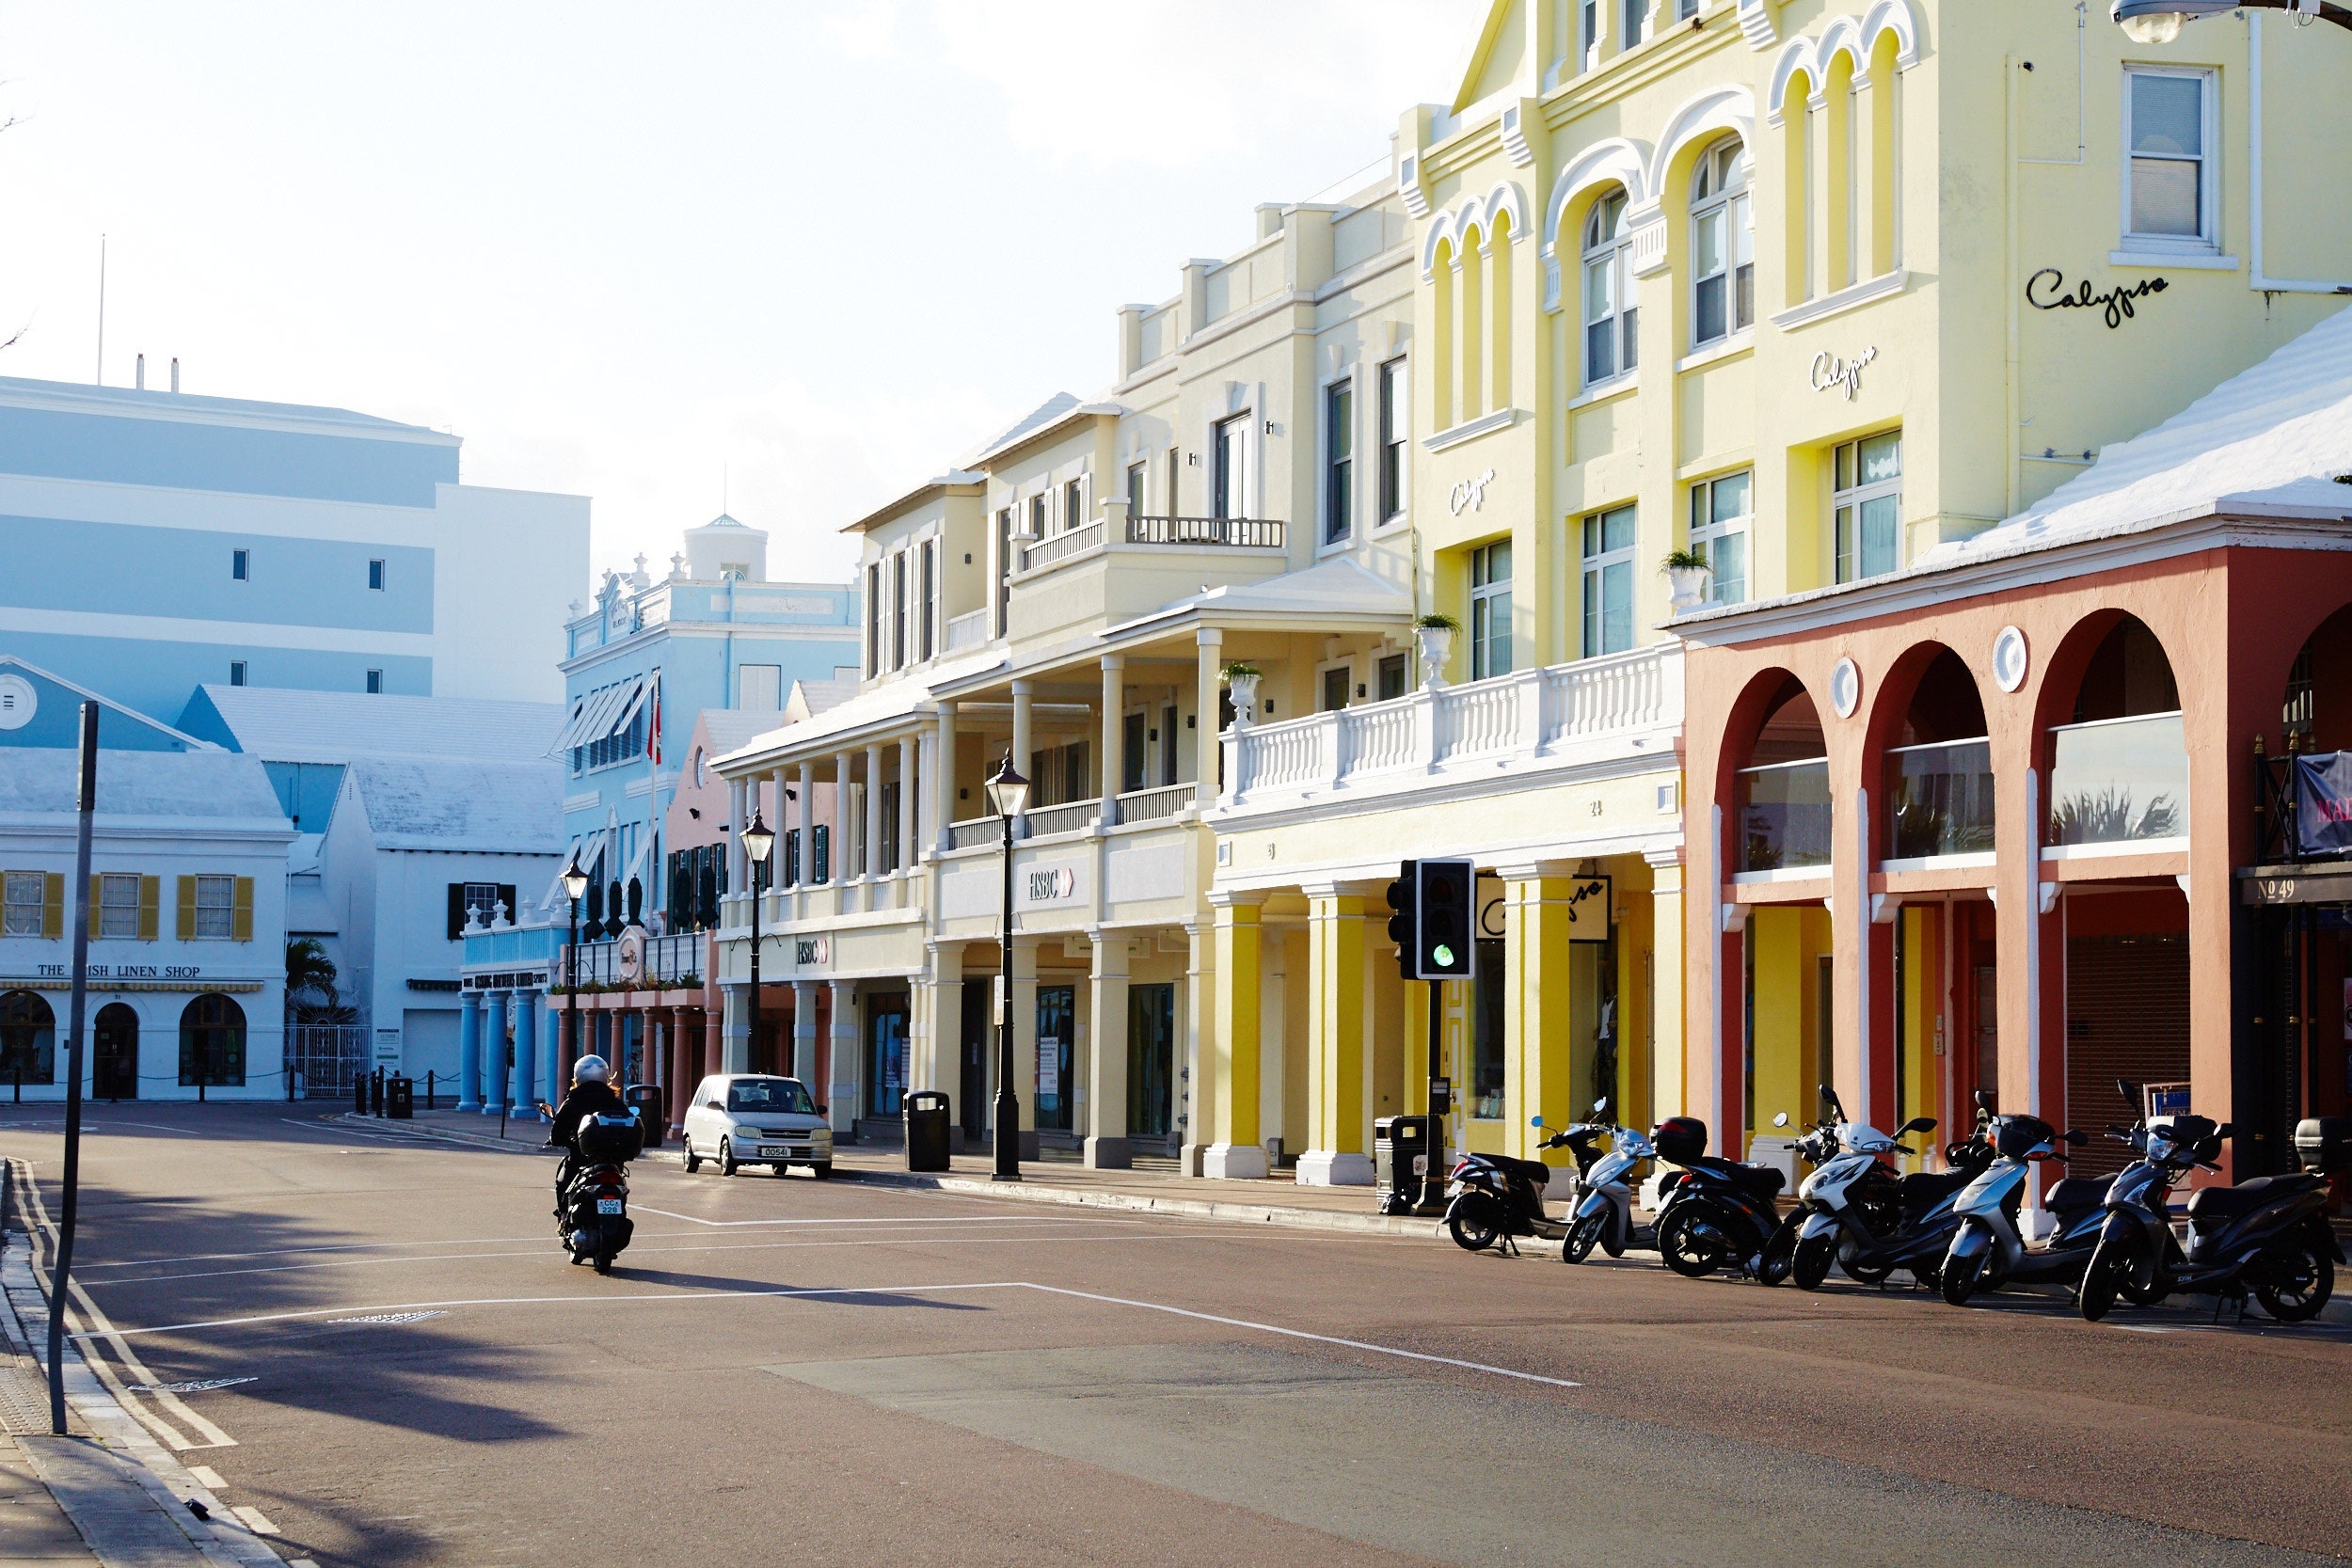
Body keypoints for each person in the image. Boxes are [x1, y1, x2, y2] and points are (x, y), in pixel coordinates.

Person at [540, 1054, 624, 1212]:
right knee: (620, 1186)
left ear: (577, 1077)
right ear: (606, 1076)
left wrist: (561, 1140)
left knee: (562, 1182)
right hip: (613, 1161)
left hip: (580, 1160)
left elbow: (557, 1134)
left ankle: (564, 1214)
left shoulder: (573, 1102)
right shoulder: (615, 1103)